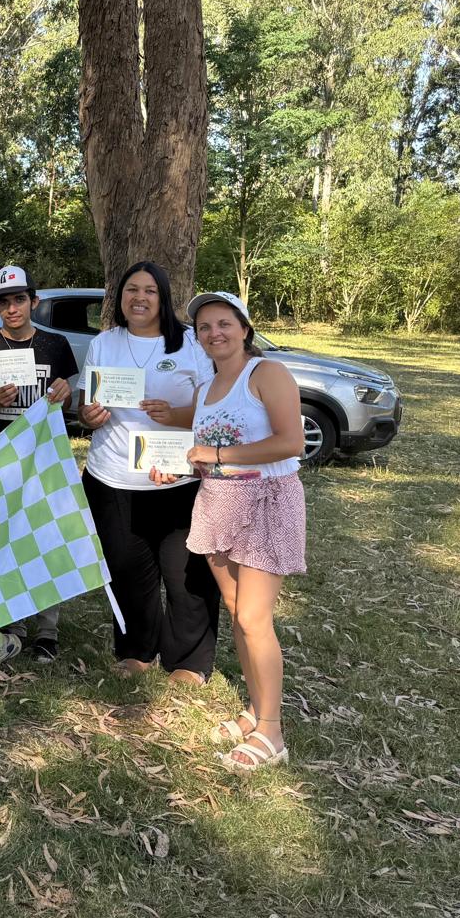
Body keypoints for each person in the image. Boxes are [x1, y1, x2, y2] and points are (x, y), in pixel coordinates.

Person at [159, 291, 305, 772]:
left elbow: (290, 441)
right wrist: (174, 470)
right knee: (238, 610)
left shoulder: (268, 374)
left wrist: (216, 457)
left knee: (254, 619)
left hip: (265, 502)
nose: (214, 333)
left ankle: (273, 732)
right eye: (204, 327)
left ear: (244, 328)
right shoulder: (206, 389)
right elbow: (201, 451)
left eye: (224, 323)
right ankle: (255, 710)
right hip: (218, 503)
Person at [78, 261, 220, 685]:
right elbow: (88, 406)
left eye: (149, 290)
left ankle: (190, 660)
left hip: (179, 476)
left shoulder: (190, 344)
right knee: (126, 568)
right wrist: (89, 414)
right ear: (119, 298)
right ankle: (136, 648)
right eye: (130, 290)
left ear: (163, 297)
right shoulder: (104, 342)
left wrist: (176, 415)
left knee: (185, 573)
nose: (139, 298)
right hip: (112, 476)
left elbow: (215, 408)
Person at [0, 265, 77, 663]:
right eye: (4, 302)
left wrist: (64, 392)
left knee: (46, 537)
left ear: (34, 302)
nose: (12, 308)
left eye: (20, 299)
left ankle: (48, 627)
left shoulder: (56, 345)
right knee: (5, 539)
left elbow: (71, 401)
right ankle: (14, 618)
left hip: (45, 458)